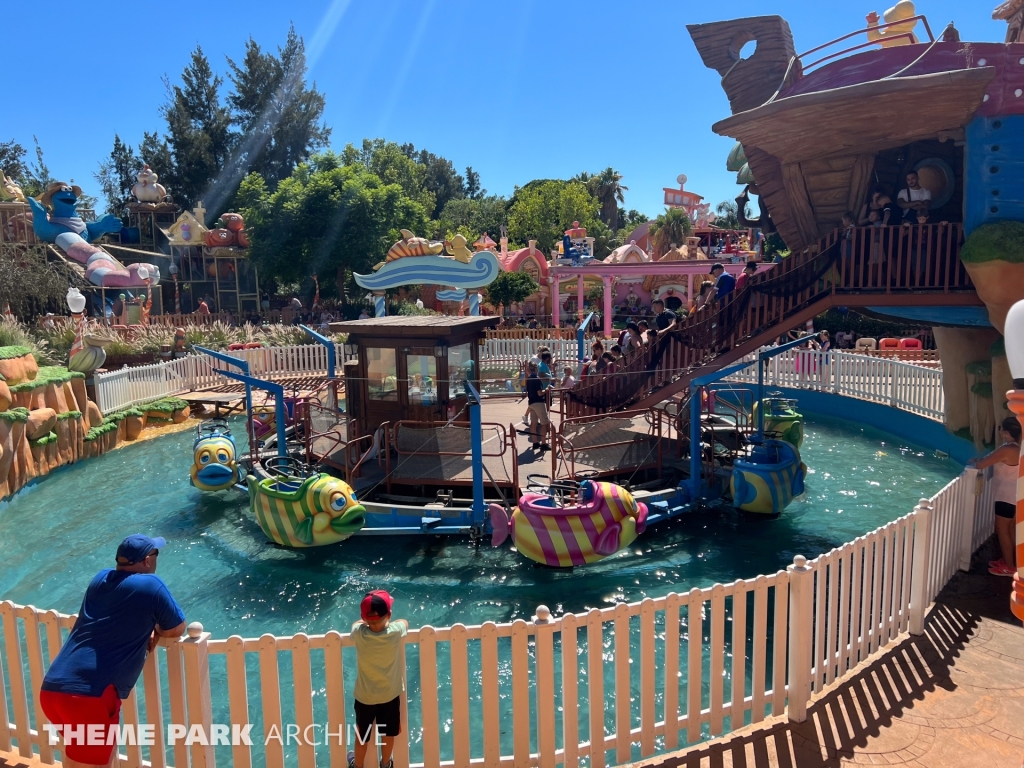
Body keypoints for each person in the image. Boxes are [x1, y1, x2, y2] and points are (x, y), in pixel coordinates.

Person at [40, 535, 185, 768]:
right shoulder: (151, 584)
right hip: (91, 696)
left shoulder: (100, 579)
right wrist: (155, 631)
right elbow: (176, 627)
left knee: (78, 759)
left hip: (54, 690)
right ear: (148, 560)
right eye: (156, 554)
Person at [348, 590, 408, 768]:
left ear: (364, 618)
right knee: (388, 733)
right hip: (389, 695)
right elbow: (404, 623)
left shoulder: (359, 633)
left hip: (365, 697)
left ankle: (357, 765)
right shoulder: (395, 632)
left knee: (362, 735)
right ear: (389, 614)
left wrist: (362, 622)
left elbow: (355, 625)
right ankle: (386, 763)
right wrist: (394, 621)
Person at [968, 417, 1022, 576]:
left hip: (1005, 496)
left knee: (1002, 530)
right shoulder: (1018, 448)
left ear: (1005, 432)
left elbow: (981, 464)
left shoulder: (1007, 449)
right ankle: (1009, 561)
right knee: (1010, 529)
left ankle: (1009, 566)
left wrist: (976, 462)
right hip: (1014, 495)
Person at [525, 361, 550, 451]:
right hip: (539, 402)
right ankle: (543, 443)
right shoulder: (537, 378)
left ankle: (535, 442)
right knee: (543, 423)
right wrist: (546, 390)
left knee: (533, 423)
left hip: (531, 402)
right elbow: (539, 393)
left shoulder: (528, 379)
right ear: (536, 369)